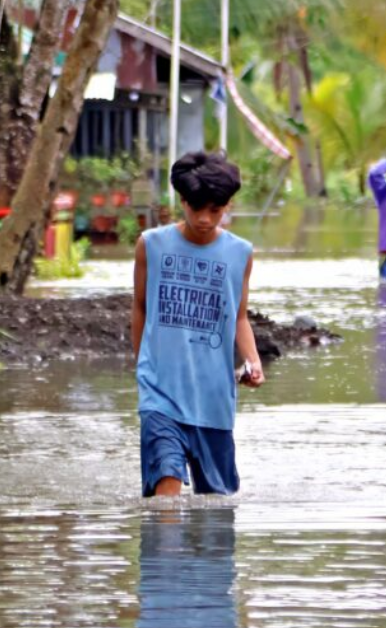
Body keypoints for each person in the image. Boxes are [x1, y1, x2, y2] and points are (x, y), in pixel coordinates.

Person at [132, 151, 264, 498]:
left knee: (216, 503)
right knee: (165, 487)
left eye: (215, 210)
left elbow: (239, 316)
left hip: (213, 397)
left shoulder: (240, 253)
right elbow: (140, 308)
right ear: (182, 201)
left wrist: (253, 361)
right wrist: (143, 366)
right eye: (196, 208)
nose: (204, 219)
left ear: (228, 206)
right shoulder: (151, 245)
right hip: (160, 393)